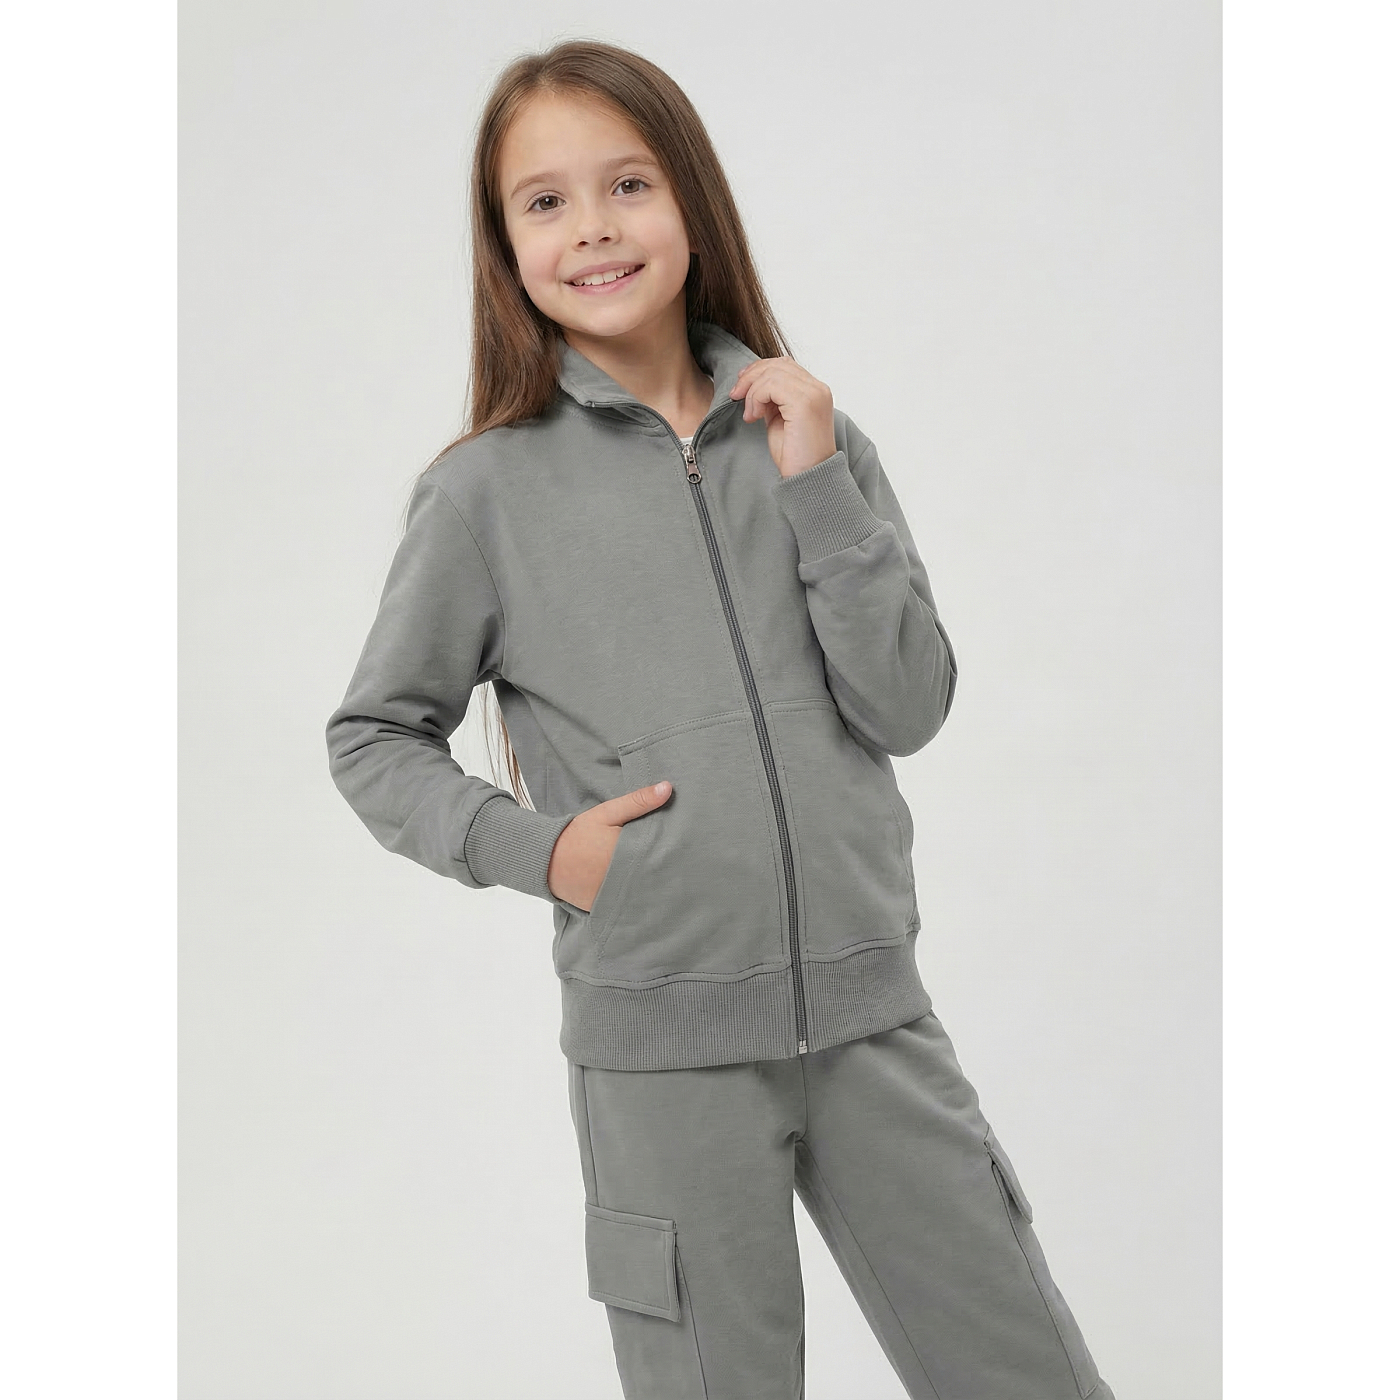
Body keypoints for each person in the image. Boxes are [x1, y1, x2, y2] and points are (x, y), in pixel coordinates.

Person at [325, 37, 1115, 1400]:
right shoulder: (483, 496)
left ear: (692, 201)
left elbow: (908, 705)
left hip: (873, 1025)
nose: (593, 227)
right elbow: (373, 737)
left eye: (628, 184)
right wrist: (545, 852)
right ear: (505, 246)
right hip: (660, 1058)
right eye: (546, 201)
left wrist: (816, 488)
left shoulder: (814, 438)